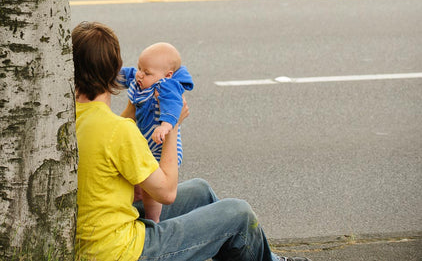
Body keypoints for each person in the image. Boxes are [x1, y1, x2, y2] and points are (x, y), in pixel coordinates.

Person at [72, 21, 310, 261]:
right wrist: (173, 125)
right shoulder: (118, 131)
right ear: (115, 70)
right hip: (121, 250)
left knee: (201, 192)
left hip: (94, 235)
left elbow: (109, 145)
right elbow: (167, 193)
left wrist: (134, 104)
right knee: (239, 214)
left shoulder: (69, 120)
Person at [119, 42, 194, 222]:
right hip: (147, 143)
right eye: (139, 68)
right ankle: (139, 205)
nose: (139, 74)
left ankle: (154, 220)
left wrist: (166, 126)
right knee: (138, 181)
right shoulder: (143, 81)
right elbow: (124, 75)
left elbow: (174, 105)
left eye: (146, 72)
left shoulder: (167, 86)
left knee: (150, 190)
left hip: (162, 147)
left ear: (166, 75)